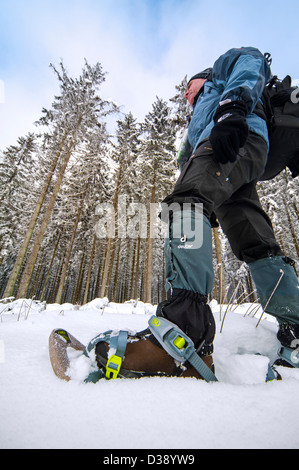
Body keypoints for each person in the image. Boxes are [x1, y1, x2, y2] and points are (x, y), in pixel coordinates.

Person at [154, 46, 299, 370]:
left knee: (185, 204)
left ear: (202, 79)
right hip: (239, 156)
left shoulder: (221, 70)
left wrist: (232, 108)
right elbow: (187, 160)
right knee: (254, 241)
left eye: (189, 88)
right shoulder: (198, 118)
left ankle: (183, 332)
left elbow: (250, 61)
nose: (187, 95)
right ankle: (296, 324)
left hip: (233, 139)